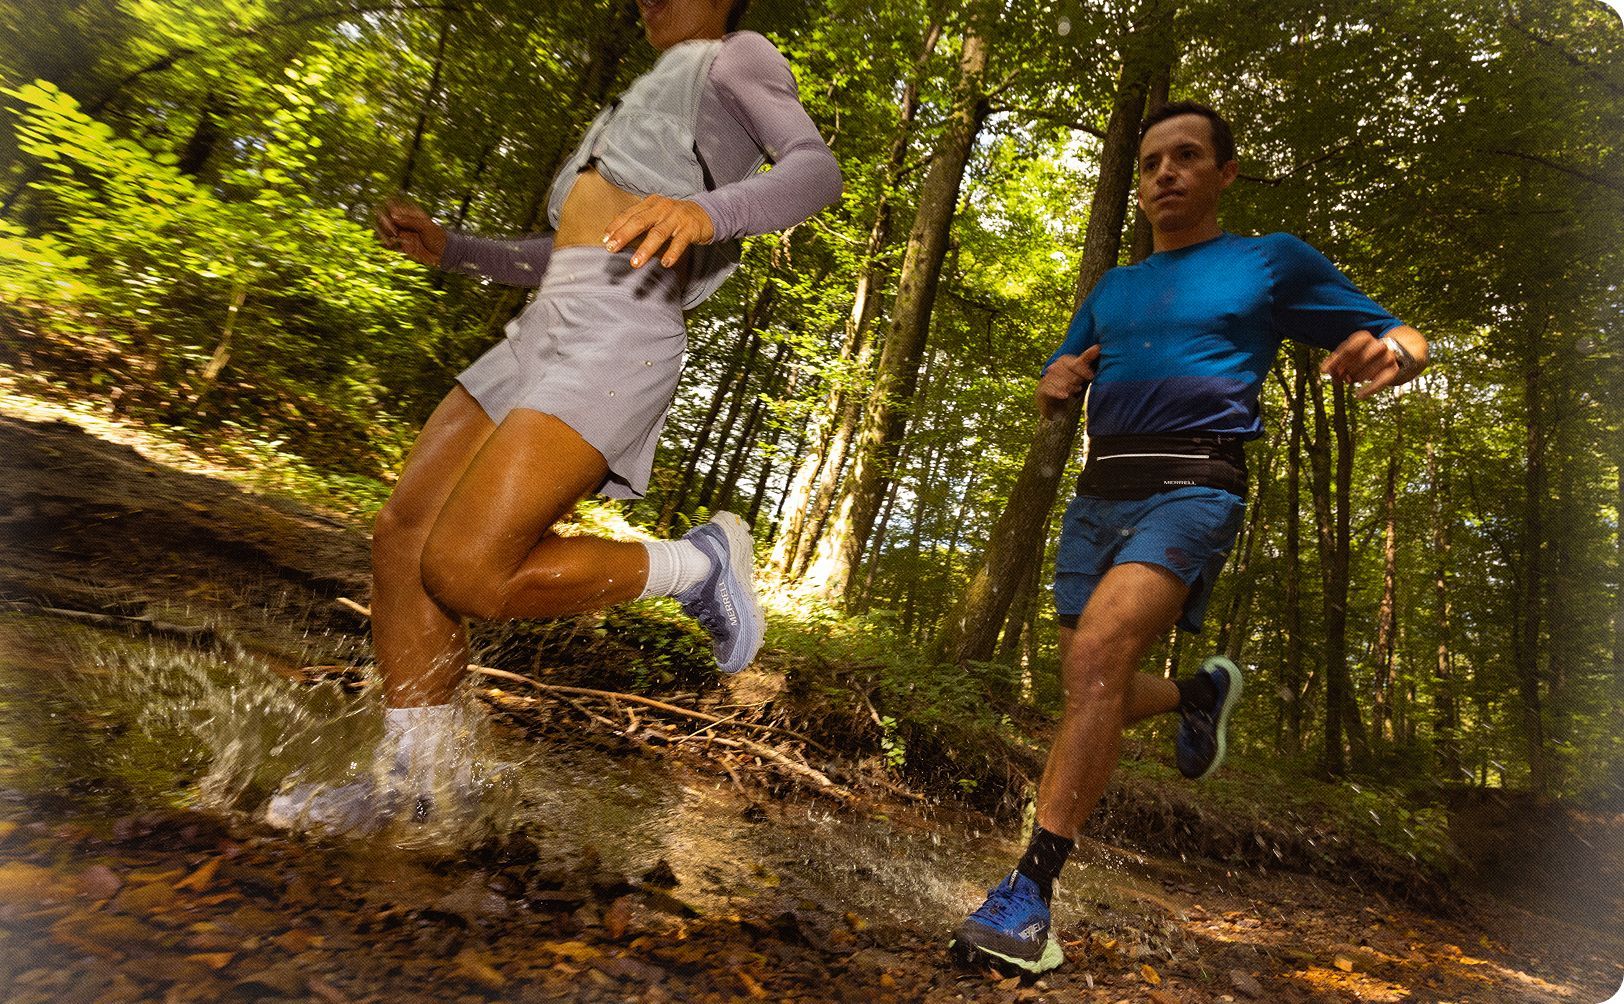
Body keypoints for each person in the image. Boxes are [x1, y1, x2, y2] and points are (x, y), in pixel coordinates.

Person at [266, 0, 842, 832]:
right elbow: (570, 249)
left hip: (621, 324)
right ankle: (418, 785)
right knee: (403, 538)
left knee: (468, 571)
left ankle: (696, 567)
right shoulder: (644, 93)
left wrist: (708, 212)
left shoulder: (737, 55)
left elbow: (815, 171)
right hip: (547, 320)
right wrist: (455, 250)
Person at [950, 101, 1429, 973]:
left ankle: (1028, 898)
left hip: (1196, 483)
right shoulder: (1113, 287)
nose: (1165, 172)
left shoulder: (1268, 260)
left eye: (1186, 156)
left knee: (1098, 660)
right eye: (1150, 163)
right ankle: (1196, 695)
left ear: (1224, 173)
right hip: (1100, 492)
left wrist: (1390, 357)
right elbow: (1064, 369)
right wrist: (1055, 380)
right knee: (1091, 682)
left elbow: (1405, 335)